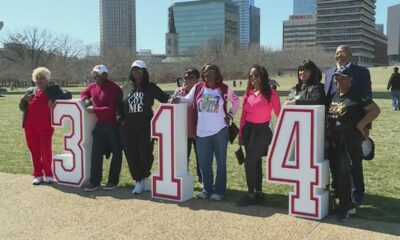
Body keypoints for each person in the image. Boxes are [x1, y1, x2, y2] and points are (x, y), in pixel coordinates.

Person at [171, 63, 240, 201]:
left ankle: (219, 191)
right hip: (201, 132)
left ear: (216, 73)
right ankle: (207, 189)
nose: (208, 73)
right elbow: (188, 100)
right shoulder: (198, 87)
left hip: (220, 131)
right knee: (204, 163)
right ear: (203, 74)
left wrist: (230, 115)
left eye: (212, 70)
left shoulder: (223, 88)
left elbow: (237, 101)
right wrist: (177, 99)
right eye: (206, 71)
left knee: (221, 162)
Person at [326, 67, 380, 222]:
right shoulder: (335, 95)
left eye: (342, 78)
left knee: (346, 174)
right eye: (336, 78)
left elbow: (375, 110)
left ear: (350, 79)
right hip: (334, 141)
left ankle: (346, 207)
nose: (338, 81)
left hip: (349, 142)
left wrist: (360, 125)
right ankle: (343, 203)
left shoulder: (357, 94)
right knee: (337, 175)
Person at [324, 45, 373, 204]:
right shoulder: (329, 72)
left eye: (342, 53)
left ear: (350, 55)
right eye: (336, 53)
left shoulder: (362, 73)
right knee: (336, 160)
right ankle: (339, 188)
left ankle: (357, 194)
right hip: (334, 127)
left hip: (354, 125)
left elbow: (368, 99)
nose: (338, 56)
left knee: (354, 162)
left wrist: (366, 126)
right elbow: (327, 99)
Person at [120, 60, 170, 194]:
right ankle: (138, 181)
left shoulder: (150, 87)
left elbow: (165, 99)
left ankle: (145, 178)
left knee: (145, 155)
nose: (136, 73)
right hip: (127, 129)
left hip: (145, 128)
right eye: (134, 70)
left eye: (139, 70)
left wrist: (175, 99)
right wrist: (121, 119)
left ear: (144, 72)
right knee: (131, 155)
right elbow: (119, 107)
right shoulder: (125, 88)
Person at [237, 65, 281, 206]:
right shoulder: (248, 92)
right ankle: (259, 193)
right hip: (248, 131)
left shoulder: (271, 93)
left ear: (263, 76)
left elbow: (279, 113)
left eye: (256, 76)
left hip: (263, 132)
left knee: (249, 161)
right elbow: (244, 115)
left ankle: (250, 194)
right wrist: (240, 133)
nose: (253, 79)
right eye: (251, 76)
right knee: (255, 162)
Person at [19, 67, 72, 185]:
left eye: (42, 78)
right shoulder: (30, 90)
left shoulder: (53, 89)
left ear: (47, 79)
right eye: (37, 78)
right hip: (29, 126)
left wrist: (54, 98)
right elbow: (22, 108)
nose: (39, 81)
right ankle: (38, 174)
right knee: (34, 151)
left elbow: (68, 95)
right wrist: (24, 99)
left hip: (45, 127)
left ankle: (48, 174)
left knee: (45, 151)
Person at [80, 64, 123, 192]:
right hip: (99, 125)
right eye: (94, 75)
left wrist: (94, 109)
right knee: (96, 154)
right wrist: (86, 100)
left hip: (113, 126)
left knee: (117, 153)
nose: (95, 77)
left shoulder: (114, 88)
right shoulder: (93, 86)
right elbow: (84, 93)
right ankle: (95, 182)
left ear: (105, 75)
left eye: (98, 75)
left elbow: (111, 109)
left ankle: (112, 181)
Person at [171, 68, 202, 184]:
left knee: (200, 156)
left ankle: (201, 178)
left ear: (197, 80)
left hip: (197, 129)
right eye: (186, 78)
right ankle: (183, 178)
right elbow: (169, 104)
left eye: (191, 78)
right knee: (183, 157)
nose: (187, 80)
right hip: (182, 131)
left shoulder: (200, 91)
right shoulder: (178, 92)